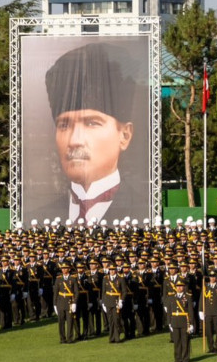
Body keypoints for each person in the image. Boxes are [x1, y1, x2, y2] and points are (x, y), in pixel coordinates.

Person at [37, 42, 146, 225]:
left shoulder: (143, 211)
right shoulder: (41, 217)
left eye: (92, 123)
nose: (75, 140)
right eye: (64, 125)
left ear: (125, 135)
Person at [54, 261, 78, 344]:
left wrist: (74, 303)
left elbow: (76, 292)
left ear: (69, 269)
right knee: (61, 322)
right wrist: (54, 305)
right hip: (60, 303)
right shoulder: (58, 279)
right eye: (63, 268)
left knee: (70, 321)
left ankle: (70, 338)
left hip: (69, 302)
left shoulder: (73, 279)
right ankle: (62, 338)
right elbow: (55, 293)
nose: (64, 270)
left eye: (65, 268)